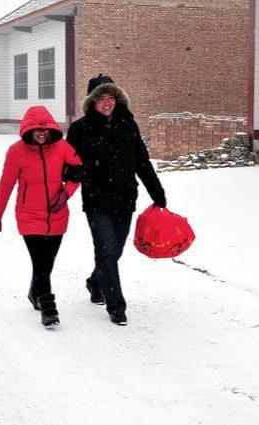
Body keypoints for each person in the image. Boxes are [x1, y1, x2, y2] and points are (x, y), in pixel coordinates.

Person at [66, 74, 167, 326]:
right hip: (96, 200)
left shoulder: (128, 125)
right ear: (92, 102)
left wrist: (157, 193)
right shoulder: (80, 129)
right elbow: (67, 164)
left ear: (118, 99)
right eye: (101, 98)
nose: (107, 102)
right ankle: (116, 306)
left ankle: (95, 282)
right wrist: (74, 175)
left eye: (111, 97)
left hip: (124, 199)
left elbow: (141, 162)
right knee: (107, 249)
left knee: (115, 250)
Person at [0, 105, 82, 327]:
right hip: (29, 216)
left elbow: (79, 171)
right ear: (28, 130)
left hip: (57, 215)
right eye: (37, 130)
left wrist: (65, 195)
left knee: (46, 264)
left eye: (45, 129)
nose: (41, 133)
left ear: (51, 129)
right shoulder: (16, 151)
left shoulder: (62, 147)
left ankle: (35, 292)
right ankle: (48, 308)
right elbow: (6, 185)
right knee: (40, 263)